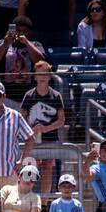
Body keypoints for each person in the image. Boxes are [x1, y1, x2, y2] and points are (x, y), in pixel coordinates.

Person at [21, 61, 66, 190]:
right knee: (30, 168)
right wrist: (30, 131)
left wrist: (46, 128)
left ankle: (45, 202)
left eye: (45, 74)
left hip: (51, 139)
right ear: (34, 76)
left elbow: (61, 120)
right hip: (32, 140)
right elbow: (22, 118)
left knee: (47, 169)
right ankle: (28, 199)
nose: (42, 77)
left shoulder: (56, 96)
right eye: (39, 74)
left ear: (49, 76)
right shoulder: (29, 95)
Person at [0, 15, 44, 102]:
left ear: (29, 32)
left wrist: (27, 43)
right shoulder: (2, 43)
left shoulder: (35, 44)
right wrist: (5, 44)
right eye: (18, 30)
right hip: (7, 93)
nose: (21, 33)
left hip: (29, 93)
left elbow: (40, 62)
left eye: (25, 31)